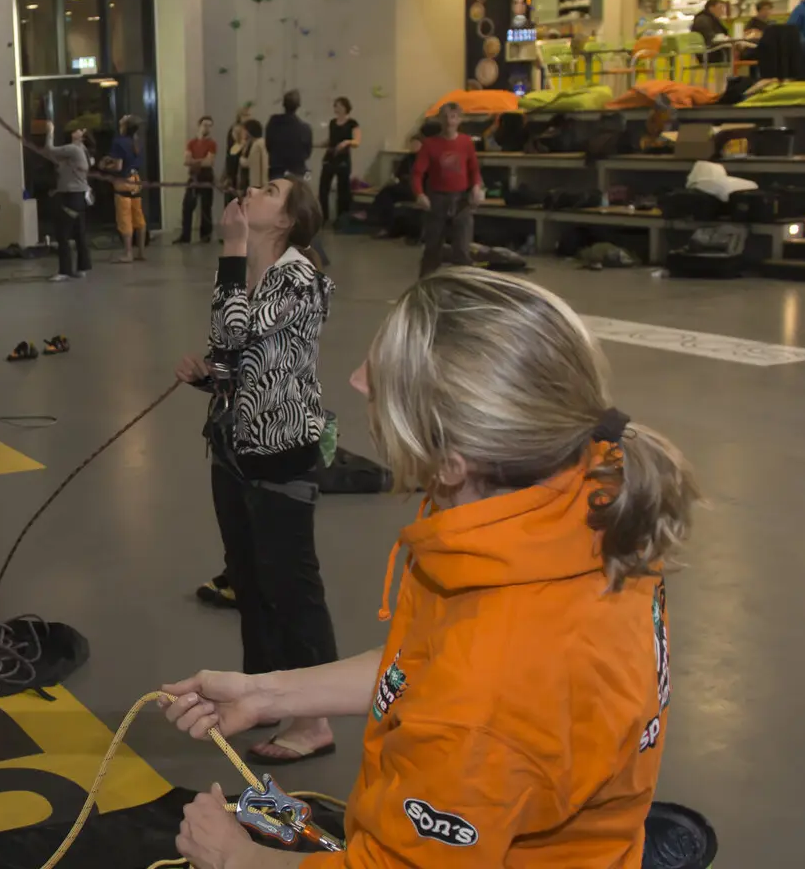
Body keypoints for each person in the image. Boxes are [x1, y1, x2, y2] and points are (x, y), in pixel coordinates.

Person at [162, 268, 694, 869]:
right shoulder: (582, 507)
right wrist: (267, 692)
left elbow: (465, 699)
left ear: (449, 462)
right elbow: (427, 665)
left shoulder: (485, 693)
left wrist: (241, 860)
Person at [174, 177, 337, 766]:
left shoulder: (297, 276)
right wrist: (208, 378)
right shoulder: (259, 276)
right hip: (236, 449)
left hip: (281, 452)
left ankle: (315, 717)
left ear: (286, 220)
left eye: (269, 189)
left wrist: (231, 249)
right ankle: (263, 694)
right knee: (251, 582)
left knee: (293, 591)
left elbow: (233, 330)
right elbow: (240, 358)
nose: (252, 189)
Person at [410, 102, 482, 277]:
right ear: (440, 119)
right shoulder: (430, 144)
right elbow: (417, 173)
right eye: (446, 116)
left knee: (463, 250)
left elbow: (474, 169)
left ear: (460, 120)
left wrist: (476, 187)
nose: (449, 121)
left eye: (454, 117)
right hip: (437, 200)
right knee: (432, 249)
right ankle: (425, 285)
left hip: (461, 201)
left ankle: (464, 288)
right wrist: (419, 194)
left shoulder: (466, 142)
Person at [45, 122, 93, 280]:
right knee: (79, 232)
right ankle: (82, 267)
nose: (75, 130)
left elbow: (49, 150)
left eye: (79, 128)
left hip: (71, 196)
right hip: (80, 195)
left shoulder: (73, 149)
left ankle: (64, 271)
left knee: (63, 233)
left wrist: (50, 131)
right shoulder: (83, 151)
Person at [105, 115, 148, 261]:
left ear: (125, 126)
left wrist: (104, 165)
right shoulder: (137, 142)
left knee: (124, 217)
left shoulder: (118, 142)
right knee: (138, 216)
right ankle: (141, 252)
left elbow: (118, 166)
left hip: (123, 181)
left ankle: (128, 252)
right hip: (136, 180)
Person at [317, 98, 360, 224]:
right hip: (330, 157)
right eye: (335, 105)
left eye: (339, 105)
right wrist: (317, 144)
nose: (336, 108)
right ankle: (323, 216)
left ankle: (341, 218)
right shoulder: (332, 122)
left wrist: (347, 142)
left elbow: (357, 141)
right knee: (323, 187)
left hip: (343, 159)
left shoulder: (352, 123)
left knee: (343, 189)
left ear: (346, 107)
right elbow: (330, 140)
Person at [178, 116, 218, 243]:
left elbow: (209, 162)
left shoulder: (211, 143)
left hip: (206, 175)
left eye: (209, 125)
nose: (207, 128)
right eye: (205, 124)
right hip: (194, 176)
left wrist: (194, 161)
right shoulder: (192, 143)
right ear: (199, 125)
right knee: (187, 206)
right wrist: (201, 161)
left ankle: (205, 236)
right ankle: (185, 236)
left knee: (206, 207)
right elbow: (186, 160)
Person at [264, 91, 313, 181]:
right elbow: (307, 153)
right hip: (297, 171)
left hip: (276, 169)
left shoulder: (273, 123)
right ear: (298, 106)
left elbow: (268, 145)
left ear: (283, 104)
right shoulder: (305, 128)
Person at [689, 0, 732, 65]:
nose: (722, 11)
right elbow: (710, 38)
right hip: (711, 53)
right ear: (711, 8)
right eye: (720, 7)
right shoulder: (702, 20)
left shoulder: (710, 19)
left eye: (723, 8)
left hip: (715, 51)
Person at [238, 119, 268, 196]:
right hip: (257, 184)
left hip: (256, 184)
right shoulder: (256, 143)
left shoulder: (257, 145)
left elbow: (251, 163)